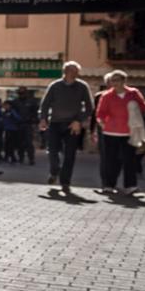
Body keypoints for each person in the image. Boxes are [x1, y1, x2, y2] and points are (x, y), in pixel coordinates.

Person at [38, 61, 93, 193]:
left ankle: (65, 182)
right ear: (65, 71)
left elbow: (89, 107)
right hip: (55, 123)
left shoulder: (82, 86)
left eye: (76, 71)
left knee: (70, 155)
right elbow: (45, 104)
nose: (73, 73)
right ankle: (54, 171)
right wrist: (43, 119)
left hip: (72, 125)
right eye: (70, 71)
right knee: (52, 151)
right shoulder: (55, 86)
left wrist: (79, 120)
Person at [95, 69, 145, 196]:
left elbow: (144, 107)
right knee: (111, 160)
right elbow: (100, 113)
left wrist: (136, 106)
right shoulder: (106, 95)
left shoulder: (133, 93)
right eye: (113, 80)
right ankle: (108, 185)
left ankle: (130, 186)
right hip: (110, 133)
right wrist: (103, 124)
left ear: (124, 81)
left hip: (129, 132)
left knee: (129, 160)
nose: (115, 83)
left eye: (117, 80)